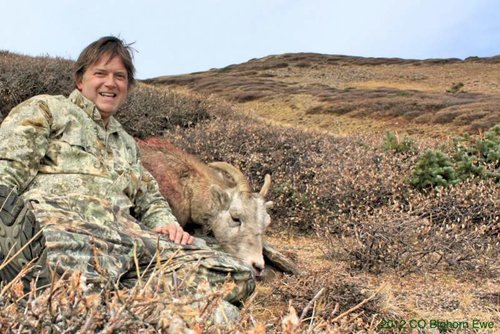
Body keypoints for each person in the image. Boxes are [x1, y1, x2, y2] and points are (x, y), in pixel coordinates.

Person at [0, 36, 255, 305]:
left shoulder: (127, 143)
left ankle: (111, 296)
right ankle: (49, 276)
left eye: (119, 76)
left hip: (127, 239)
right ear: (80, 80)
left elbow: (150, 198)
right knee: (62, 268)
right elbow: (7, 170)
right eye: (100, 73)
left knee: (236, 276)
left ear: (127, 86)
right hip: (61, 227)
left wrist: (165, 223)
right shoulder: (47, 109)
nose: (110, 83)